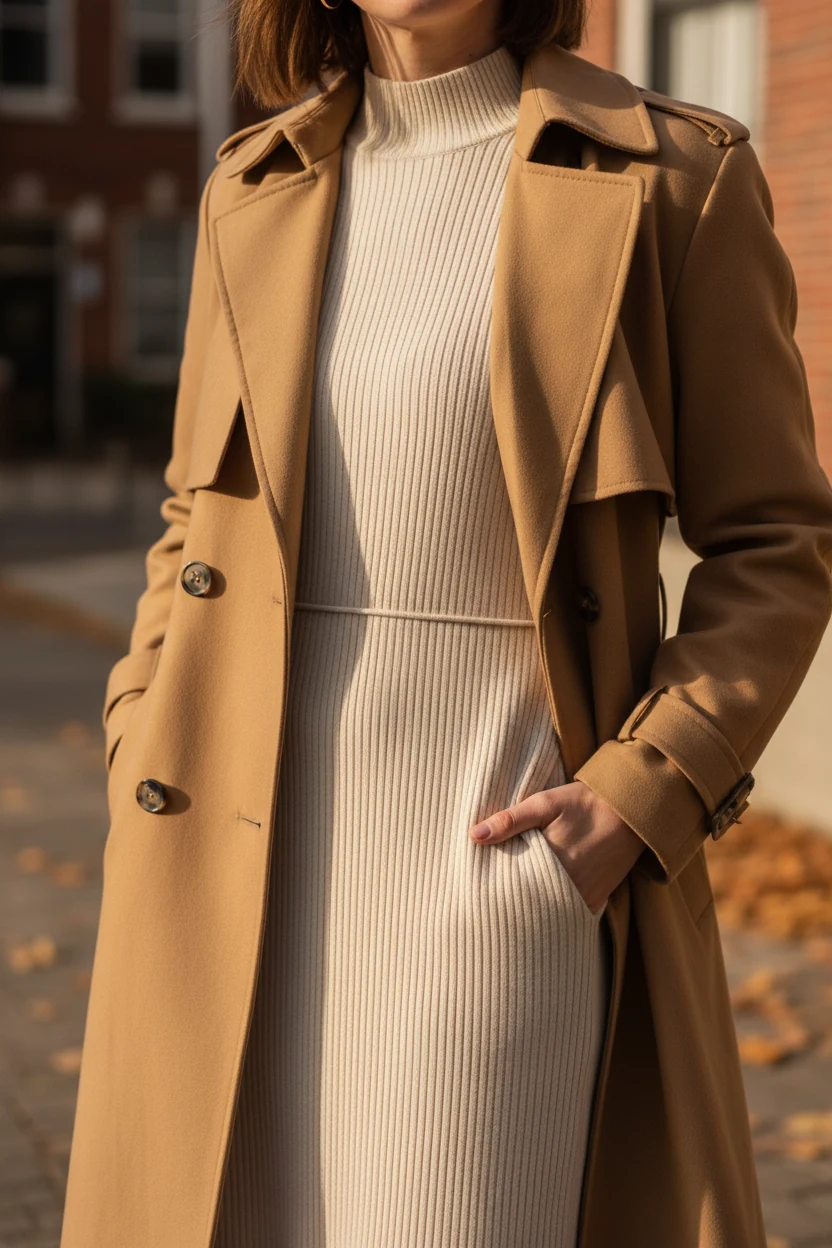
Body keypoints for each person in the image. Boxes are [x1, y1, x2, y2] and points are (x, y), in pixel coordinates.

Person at [60, 2, 832, 1246]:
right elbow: (193, 513)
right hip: (226, 880)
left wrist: (640, 793)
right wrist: (137, 722)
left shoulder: (672, 179)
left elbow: (778, 545)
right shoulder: (249, 188)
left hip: (496, 879)